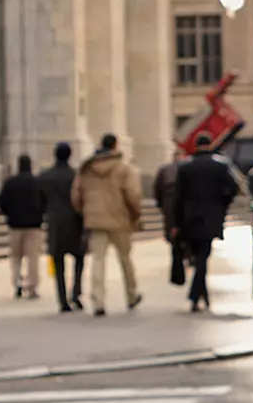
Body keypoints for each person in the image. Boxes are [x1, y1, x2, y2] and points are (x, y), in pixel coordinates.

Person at [71, 133, 143, 316]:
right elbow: (132, 195)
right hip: (120, 219)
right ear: (116, 146)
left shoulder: (87, 168)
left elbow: (76, 195)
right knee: (125, 259)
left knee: (98, 260)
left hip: (95, 220)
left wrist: (85, 211)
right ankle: (131, 295)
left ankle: (98, 300)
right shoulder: (124, 169)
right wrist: (135, 215)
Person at [173, 133, 239, 313]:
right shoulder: (219, 166)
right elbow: (233, 188)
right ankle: (196, 295)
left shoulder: (185, 166)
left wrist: (176, 222)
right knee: (203, 257)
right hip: (211, 217)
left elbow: (178, 197)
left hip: (190, 218)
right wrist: (222, 203)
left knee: (198, 257)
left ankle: (200, 295)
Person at [39, 142, 87, 312]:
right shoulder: (76, 175)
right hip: (75, 223)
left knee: (58, 262)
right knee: (79, 259)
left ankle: (62, 300)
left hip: (55, 223)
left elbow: (40, 201)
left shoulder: (44, 176)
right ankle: (76, 293)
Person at [0, 154, 45, 299]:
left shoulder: (10, 183)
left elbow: (1, 201)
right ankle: (32, 287)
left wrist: (8, 214)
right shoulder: (37, 183)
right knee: (33, 257)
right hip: (34, 226)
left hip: (15, 225)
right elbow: (44, 202)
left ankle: (17, 283)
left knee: (16, 257)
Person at [153, 152, 186, 286]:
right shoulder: (186, 169)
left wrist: (161, 206)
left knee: (174, 241)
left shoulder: (165, 170)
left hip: (169, 207)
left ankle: (177, 273)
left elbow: (157, 190)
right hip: (183, 208)